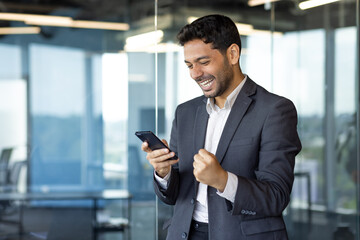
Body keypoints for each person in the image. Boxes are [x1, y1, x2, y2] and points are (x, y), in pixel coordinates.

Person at [141, 14, 302, 240]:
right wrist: (164, 173)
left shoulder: (274, 110)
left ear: (233, 54)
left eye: (204, 62)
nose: (195, 73)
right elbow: (174, 196)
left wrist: (222, 180)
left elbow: (276, 196)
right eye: (189, 65)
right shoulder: (185, 113)